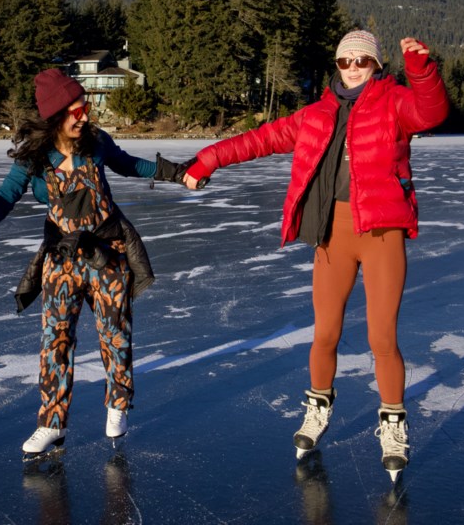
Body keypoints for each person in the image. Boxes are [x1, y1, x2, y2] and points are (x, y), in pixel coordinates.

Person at [184, 31, 449, 481]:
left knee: (381, 338)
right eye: (344, 61)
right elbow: (260, 139)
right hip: (332, 237)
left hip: (381, 234)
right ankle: (318, 408)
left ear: (377, 65)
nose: (351, 68)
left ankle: (392, 425)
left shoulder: (395, 104)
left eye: (361, 61)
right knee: (324, 332)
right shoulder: (317, 113)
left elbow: (432, 110)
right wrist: (206, 159)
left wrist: (422, 71)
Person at [0, 68, 192, 458]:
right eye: (77, 110)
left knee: (115, 334)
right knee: (55, 341)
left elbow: (130, 164)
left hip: (107, 253)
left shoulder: (96, 143)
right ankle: (51, 424)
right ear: (56, 114)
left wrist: (175, 172)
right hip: (61, 259)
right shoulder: (35, 157)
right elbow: (7, 193)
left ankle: (118, 404)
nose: (85, 116)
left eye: (86, 107)